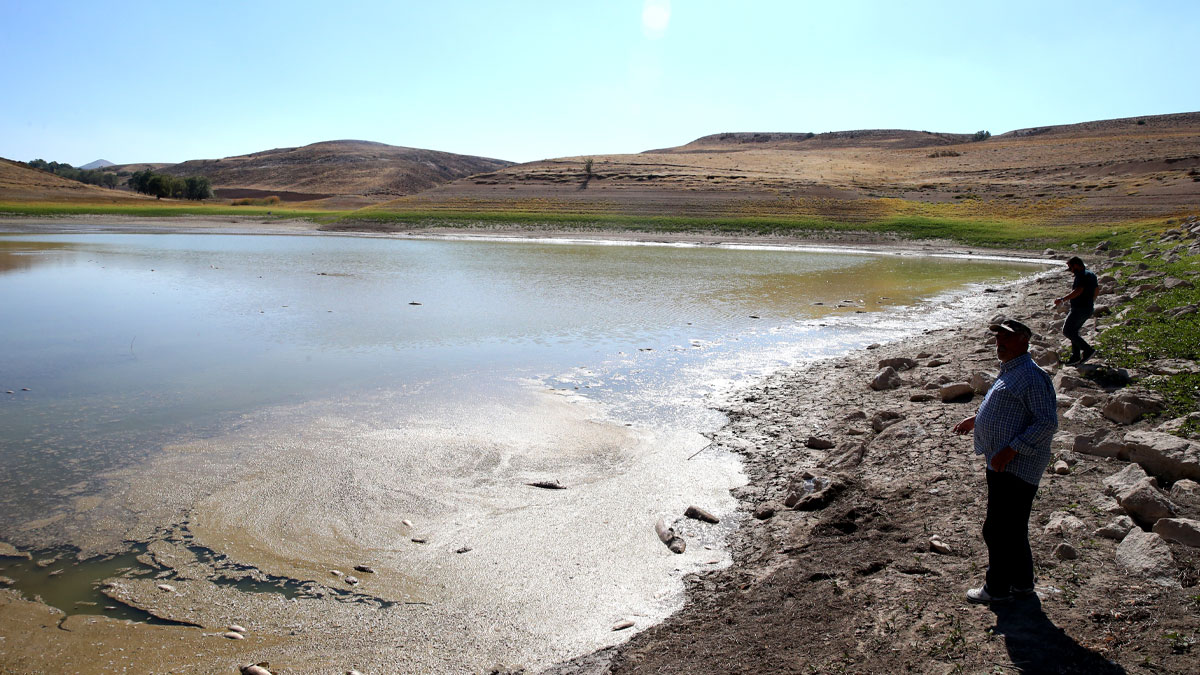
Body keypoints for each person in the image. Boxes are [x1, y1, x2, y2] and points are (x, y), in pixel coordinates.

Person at [952, 319, 1058, 604]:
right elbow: (1008, 409)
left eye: (1007, 338)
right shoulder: (1012, 370)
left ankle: (997, 588)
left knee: (998, 529)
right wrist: (977, 419)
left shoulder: (1032, 376)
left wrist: (1010, 450)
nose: (1000, 342)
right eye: (998, 337)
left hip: (1015, 465)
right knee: (1013, 527)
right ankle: (1022, 583)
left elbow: (1046, 423)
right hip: (1004, 462)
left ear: (1024, 340)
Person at [1053, 256, 1099, 365]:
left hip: (1080, 308)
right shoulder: (1090, 274)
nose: (1070, 270)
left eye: (1070, 267)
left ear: (1077, 265)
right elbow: (1096, 290)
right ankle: (1075, 357)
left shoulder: (1081, 275)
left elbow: (1078, 290)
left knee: (1067, 331)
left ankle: (1088, 350)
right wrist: (1091, 301)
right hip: (1087, 307)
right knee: (1073, 331)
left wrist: (1062, 299)